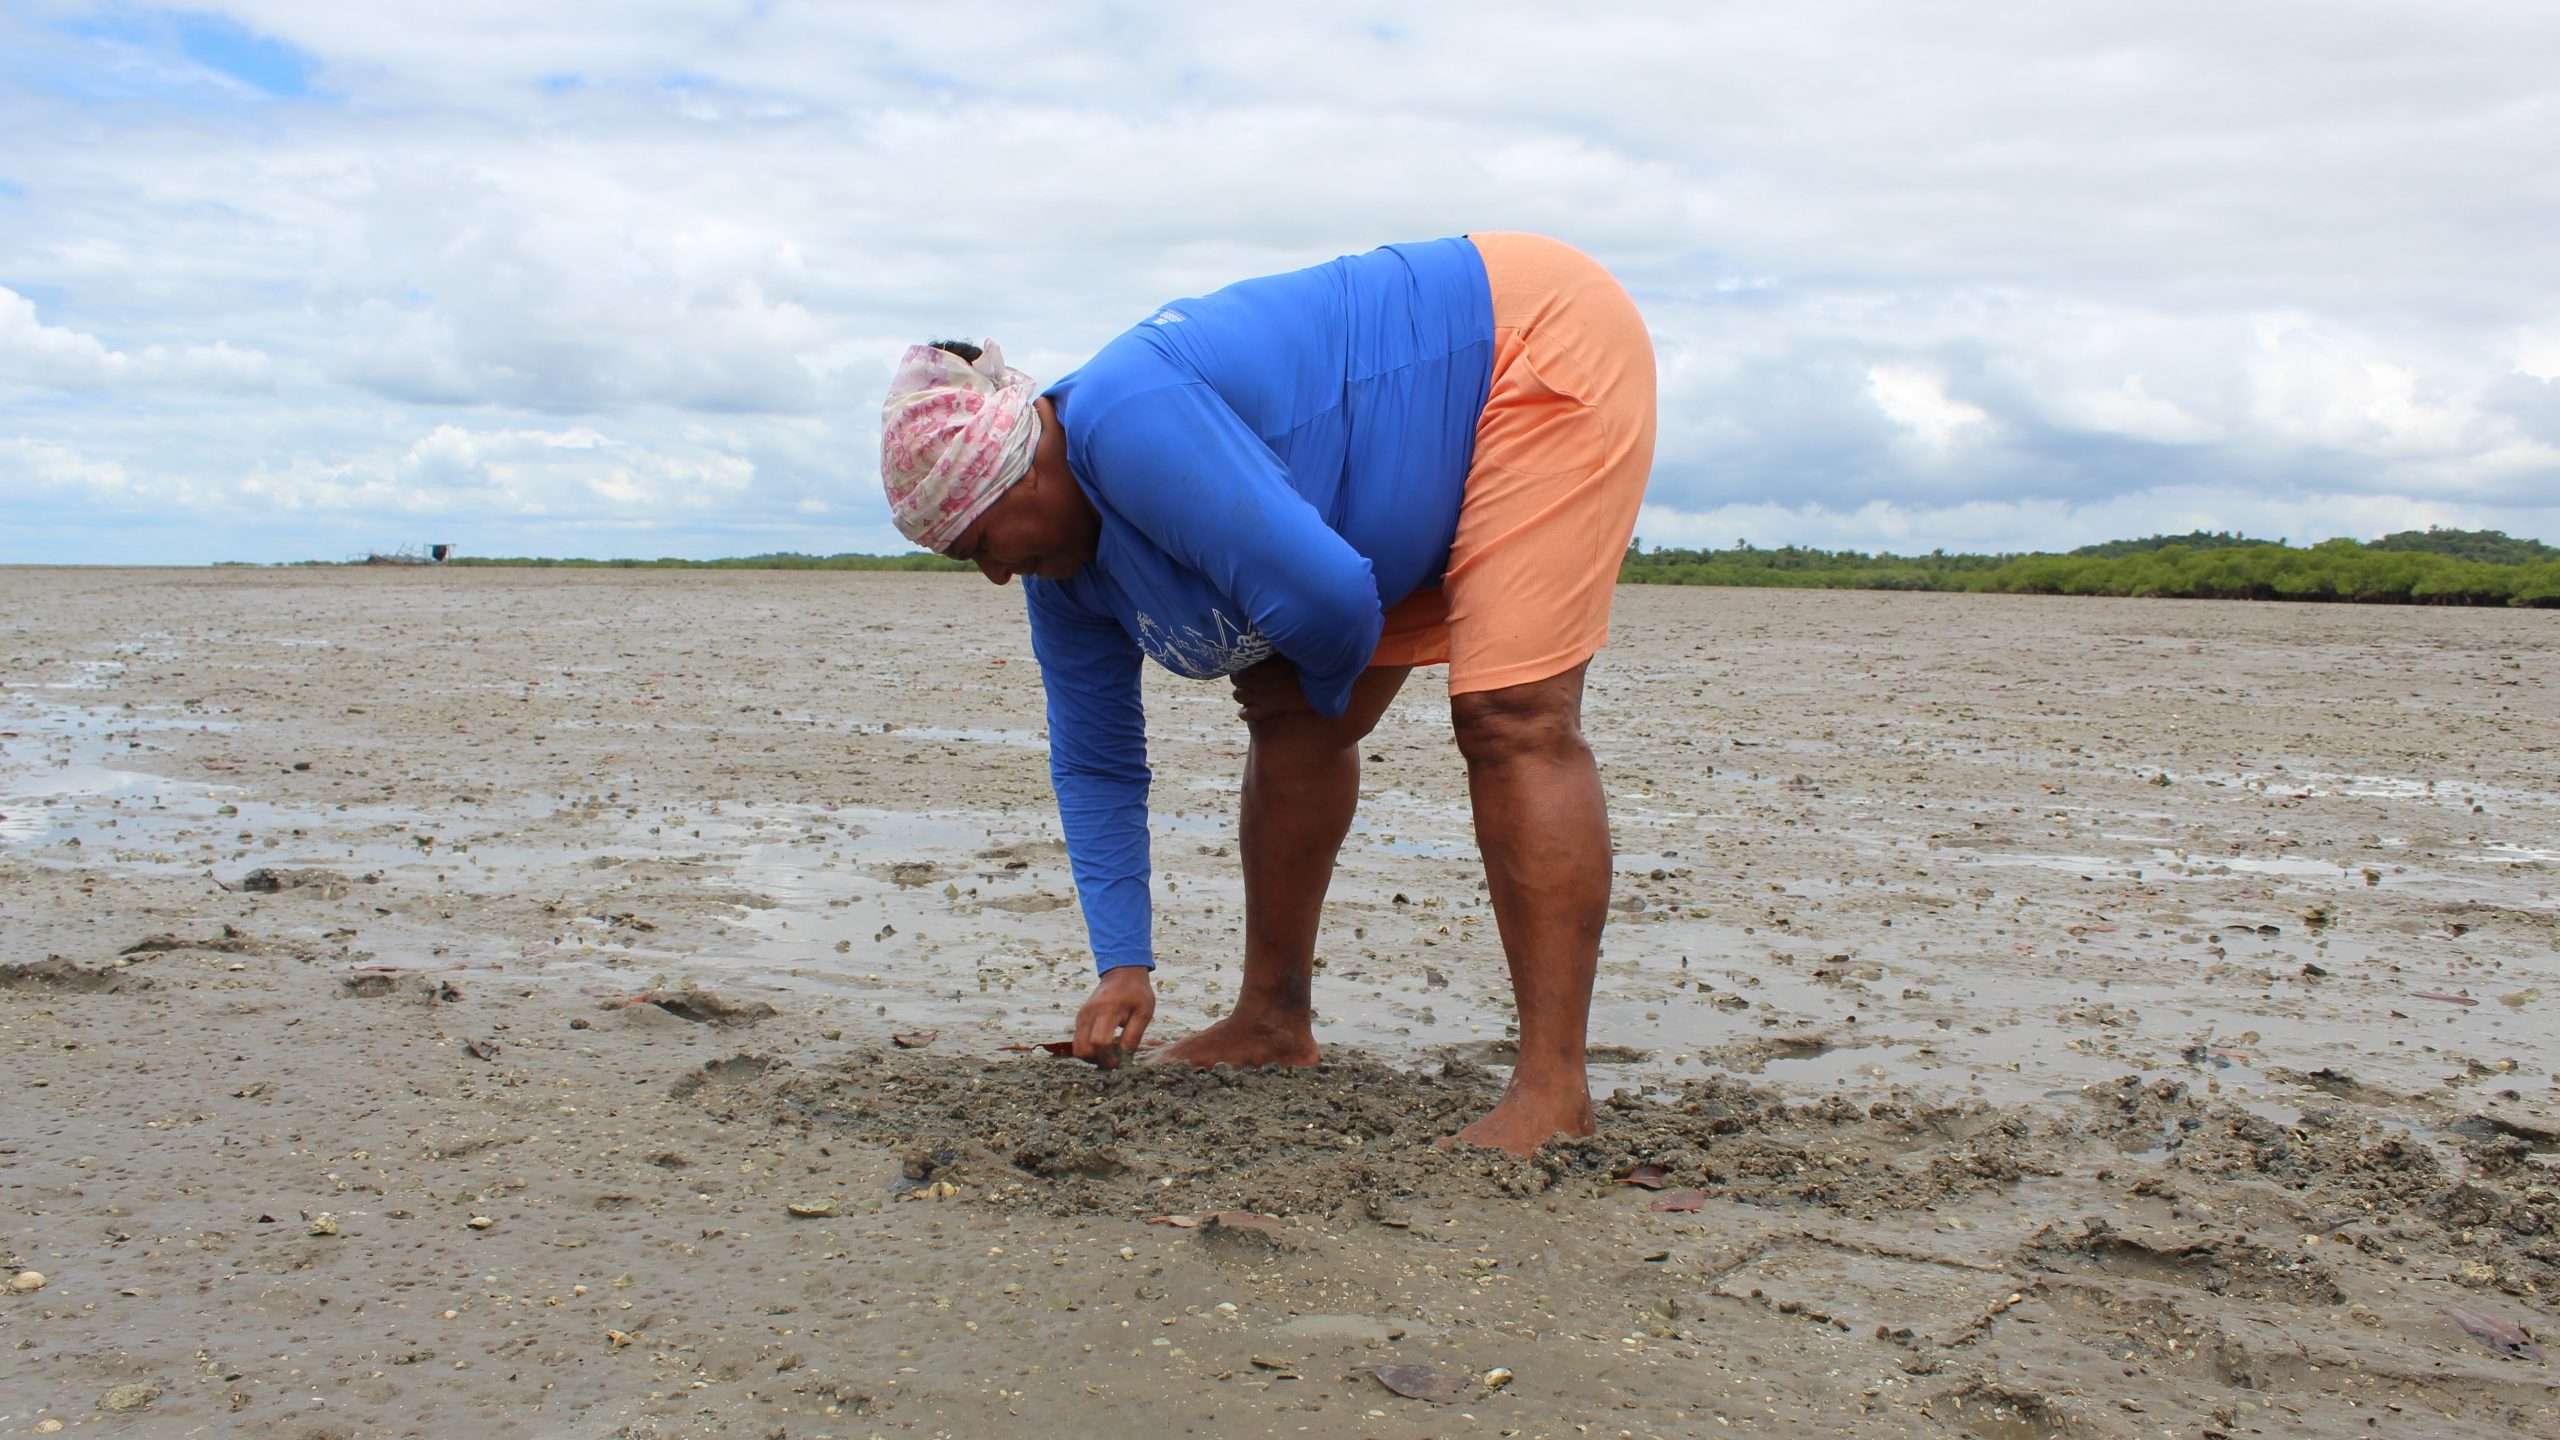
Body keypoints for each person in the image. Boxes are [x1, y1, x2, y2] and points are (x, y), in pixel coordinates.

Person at [878, 233, 1654, 1154]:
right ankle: (1273, 1020)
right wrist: (1122, 964)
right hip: (1393, 476)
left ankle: (1553, 1091)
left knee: (1509, 715)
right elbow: (1095, 763)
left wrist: (1300, 684)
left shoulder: (1126, 421)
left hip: (1525, 346)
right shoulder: (1064, 583)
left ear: (1029, 464)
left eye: (981, 543)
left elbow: (1330, 598)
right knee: (1290, 714)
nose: (997, 575)